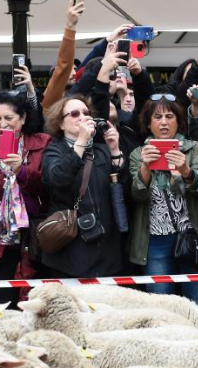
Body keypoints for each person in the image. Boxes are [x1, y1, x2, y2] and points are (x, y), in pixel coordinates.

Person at [128, 96, 198, 310]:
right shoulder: (139, 153)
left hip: (191, 234)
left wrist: (184, 171)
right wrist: (146, 166)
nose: (164, 122)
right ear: (148, 123)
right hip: (155, 239)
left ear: (178, 121)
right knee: (160, 305)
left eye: (169, 116)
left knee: (197, 304)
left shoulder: (194, 149)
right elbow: (137, 195)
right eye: (157, 117)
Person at [0, 92, 50, 306]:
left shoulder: (42, 143)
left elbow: (49, 187)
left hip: (35, 232)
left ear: (22, 118)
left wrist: (21, 171)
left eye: (9, 118)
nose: (2, 124)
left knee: (37, 300)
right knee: (3, 300)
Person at [41, 96, 129, 278]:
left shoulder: (102, 150)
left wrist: (114, 150)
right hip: (70, 249)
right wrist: (80, 142)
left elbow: (124, 189)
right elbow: (58, 178)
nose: (82, 117)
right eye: (74, 114)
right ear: (61, 124)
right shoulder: (53, 151)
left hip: (106, 248)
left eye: (86, 113)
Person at [41, 0, 86, 114]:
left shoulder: (81, 97)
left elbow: (90, 67)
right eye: (69, 71)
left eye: (85, 113)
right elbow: (64, 65)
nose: (75, 73)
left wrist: (106, 41)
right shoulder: (51, 104)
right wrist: (70, 26)